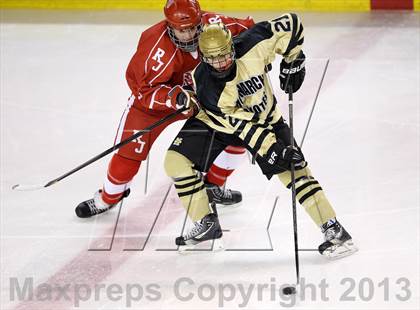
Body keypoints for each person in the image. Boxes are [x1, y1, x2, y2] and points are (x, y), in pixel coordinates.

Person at [164, 17, 358, 259]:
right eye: (212, 58)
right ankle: (205, 222)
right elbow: (243, 127)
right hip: (218, 123)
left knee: (295, 169)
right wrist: (273, 149)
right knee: (175, 161)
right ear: (203, 56)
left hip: (265, 119)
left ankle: (334, 229)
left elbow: (292, 23)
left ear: (232, 46)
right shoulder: (207, 86)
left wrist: (294, 58)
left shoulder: (254, 42)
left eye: (224, 54)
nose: (220, 63)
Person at [75, 0, 254, 218]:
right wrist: (173, 97)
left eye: (192, 28)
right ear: (169, 26)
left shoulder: (214, 25)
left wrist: (269, 55)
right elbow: (142, 90)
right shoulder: (153, 45)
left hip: (204, 98)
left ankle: (213, 187)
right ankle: (108, 198)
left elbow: (252, 30)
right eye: (181, 30)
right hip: (152, 106)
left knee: (240, 135)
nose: (188, 36)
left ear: (200, 21)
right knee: (127, 157)